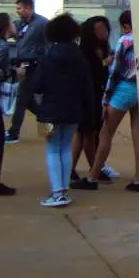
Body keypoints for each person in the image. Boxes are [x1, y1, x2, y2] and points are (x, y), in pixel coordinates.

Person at [74, 11, 139, 192]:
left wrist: (106, 98)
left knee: (106, 133)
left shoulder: (125, 41)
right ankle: (138, 178)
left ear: (125, 26)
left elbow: (115, 71)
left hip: (123, 88)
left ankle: (93, 176)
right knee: (138, 135)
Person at [28, 14, 93, 207]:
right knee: (65, 148)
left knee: (52, 149)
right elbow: (86, 88)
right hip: (73, 111)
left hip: (48, 111)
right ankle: (63, 190)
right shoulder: (80, 58)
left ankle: (57, 192)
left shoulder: (47, 57)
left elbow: (37, 85)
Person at [71, 17, 115, 183]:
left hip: (95, 94)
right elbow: (91, 71)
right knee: (87, 133)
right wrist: (105, 63)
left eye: (105, 28)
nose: (103, 32)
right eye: (99, 29)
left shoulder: (101, 47)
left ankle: (74, 169)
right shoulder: (85, 50)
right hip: (87, 96)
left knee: (83, 135)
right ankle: (95, 169)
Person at [6, 0, 49, 143]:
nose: (17, 11)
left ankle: (14, 132)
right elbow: (10, 32)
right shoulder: (20, 24)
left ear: (28, 8)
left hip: (36, 65)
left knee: (22, 97)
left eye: (19, 8)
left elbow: (50, 42)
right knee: (28, 100)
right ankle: (50, 128)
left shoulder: (42, 23)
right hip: (23, 64)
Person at [0, 13, 22, 195]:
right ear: (5, 26)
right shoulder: (1, 46)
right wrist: (10, 72)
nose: (14, 24)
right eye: (11, 22)